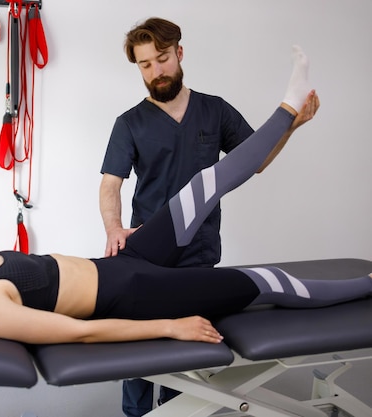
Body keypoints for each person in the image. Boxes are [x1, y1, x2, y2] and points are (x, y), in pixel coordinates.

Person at [0, 48, 371, 354]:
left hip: (129, 258)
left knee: (204, 183)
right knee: (263, 282)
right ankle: (365, 287)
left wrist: (116, 232)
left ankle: (290, 105)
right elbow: (77, 334)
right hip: (140, 293)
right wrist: (169, 327)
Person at [98, 18, 318, 415]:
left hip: (199, 253)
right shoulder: (129, 123)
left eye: (161, 59)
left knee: (187, 353)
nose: (155, 71)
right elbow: (110, 184)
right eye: (145, 65)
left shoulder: (214, 111)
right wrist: (114, 228)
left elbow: (256, 160)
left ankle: (177, 411)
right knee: (140, 351)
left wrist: (291, 127)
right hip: (148, 254)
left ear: (179, 53)